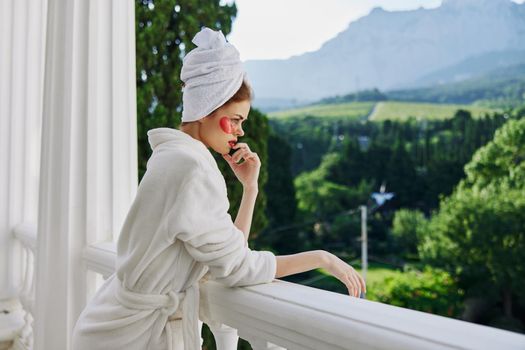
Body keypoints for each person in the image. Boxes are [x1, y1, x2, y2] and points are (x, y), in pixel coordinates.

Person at [72, 26, 365, 350]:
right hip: (131, 337)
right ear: (208, 107)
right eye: (236, 119)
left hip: (110, 324)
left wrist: (249, 189)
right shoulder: (192, 168)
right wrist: (321, 258)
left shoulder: (172, 156)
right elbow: (237, 267)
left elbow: (224, 251)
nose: (239, 132)